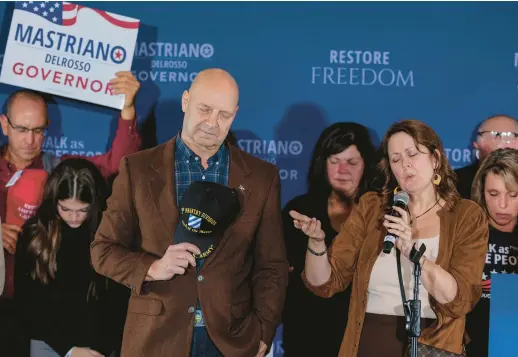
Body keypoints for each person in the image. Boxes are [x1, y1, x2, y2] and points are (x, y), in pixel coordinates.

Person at [90, 68, 288, 357]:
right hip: (155, 340)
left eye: (224, 114)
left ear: (236, 114)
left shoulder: (261, 177)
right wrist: (151, 268)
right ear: (185, 101)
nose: (212, 122)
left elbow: (272, 265)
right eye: (204, 109)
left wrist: (264, 331)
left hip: (232, 341)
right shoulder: (138, 168)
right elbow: (102, 251)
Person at [291, 119, 489, 357]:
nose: (405, 165)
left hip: (433, 345)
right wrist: (316, 244)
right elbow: (324, 283)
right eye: (396, 159)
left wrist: (413, 252)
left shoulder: (465, 215)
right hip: (370, 343)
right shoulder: (372, 207)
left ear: (435, 158)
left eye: (412, 154)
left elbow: (458, 300)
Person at [0, 70, 141, 355]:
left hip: (37, 315)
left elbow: (117, 165)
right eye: (22, 129)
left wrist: (127, 110)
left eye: (38, 130)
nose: (30, 139)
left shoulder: (60, 171)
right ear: (5, 125)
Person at [281, 122, 378, 357]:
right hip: (307, 338)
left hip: (365, 339)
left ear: (367, 164)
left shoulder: (381, 214)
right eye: (334, 161)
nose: (342, 170)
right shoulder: (300, 210)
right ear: (322, 164)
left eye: (352, 162)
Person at [14, 158, 128, 357]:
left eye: (82, 210)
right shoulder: (35, 234)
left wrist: (102, 348)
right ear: (53, 201)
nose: (74, 217)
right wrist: (68, 349)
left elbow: (117, 302)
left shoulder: (109, 234)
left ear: (94, 205)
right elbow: (27, 302)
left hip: (98, 344)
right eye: (65, 209)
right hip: (47, 341)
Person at [465, 148, 518, 357]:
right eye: (493, 194)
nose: (502, 205)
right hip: (468, 345)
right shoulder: (464, 234)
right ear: (481, 191)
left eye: (513, 195)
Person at [456, 115, 518, 199]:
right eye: (493, 135)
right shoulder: (455, 183)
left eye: (513, 195)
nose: (500, 141)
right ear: (476, 146)